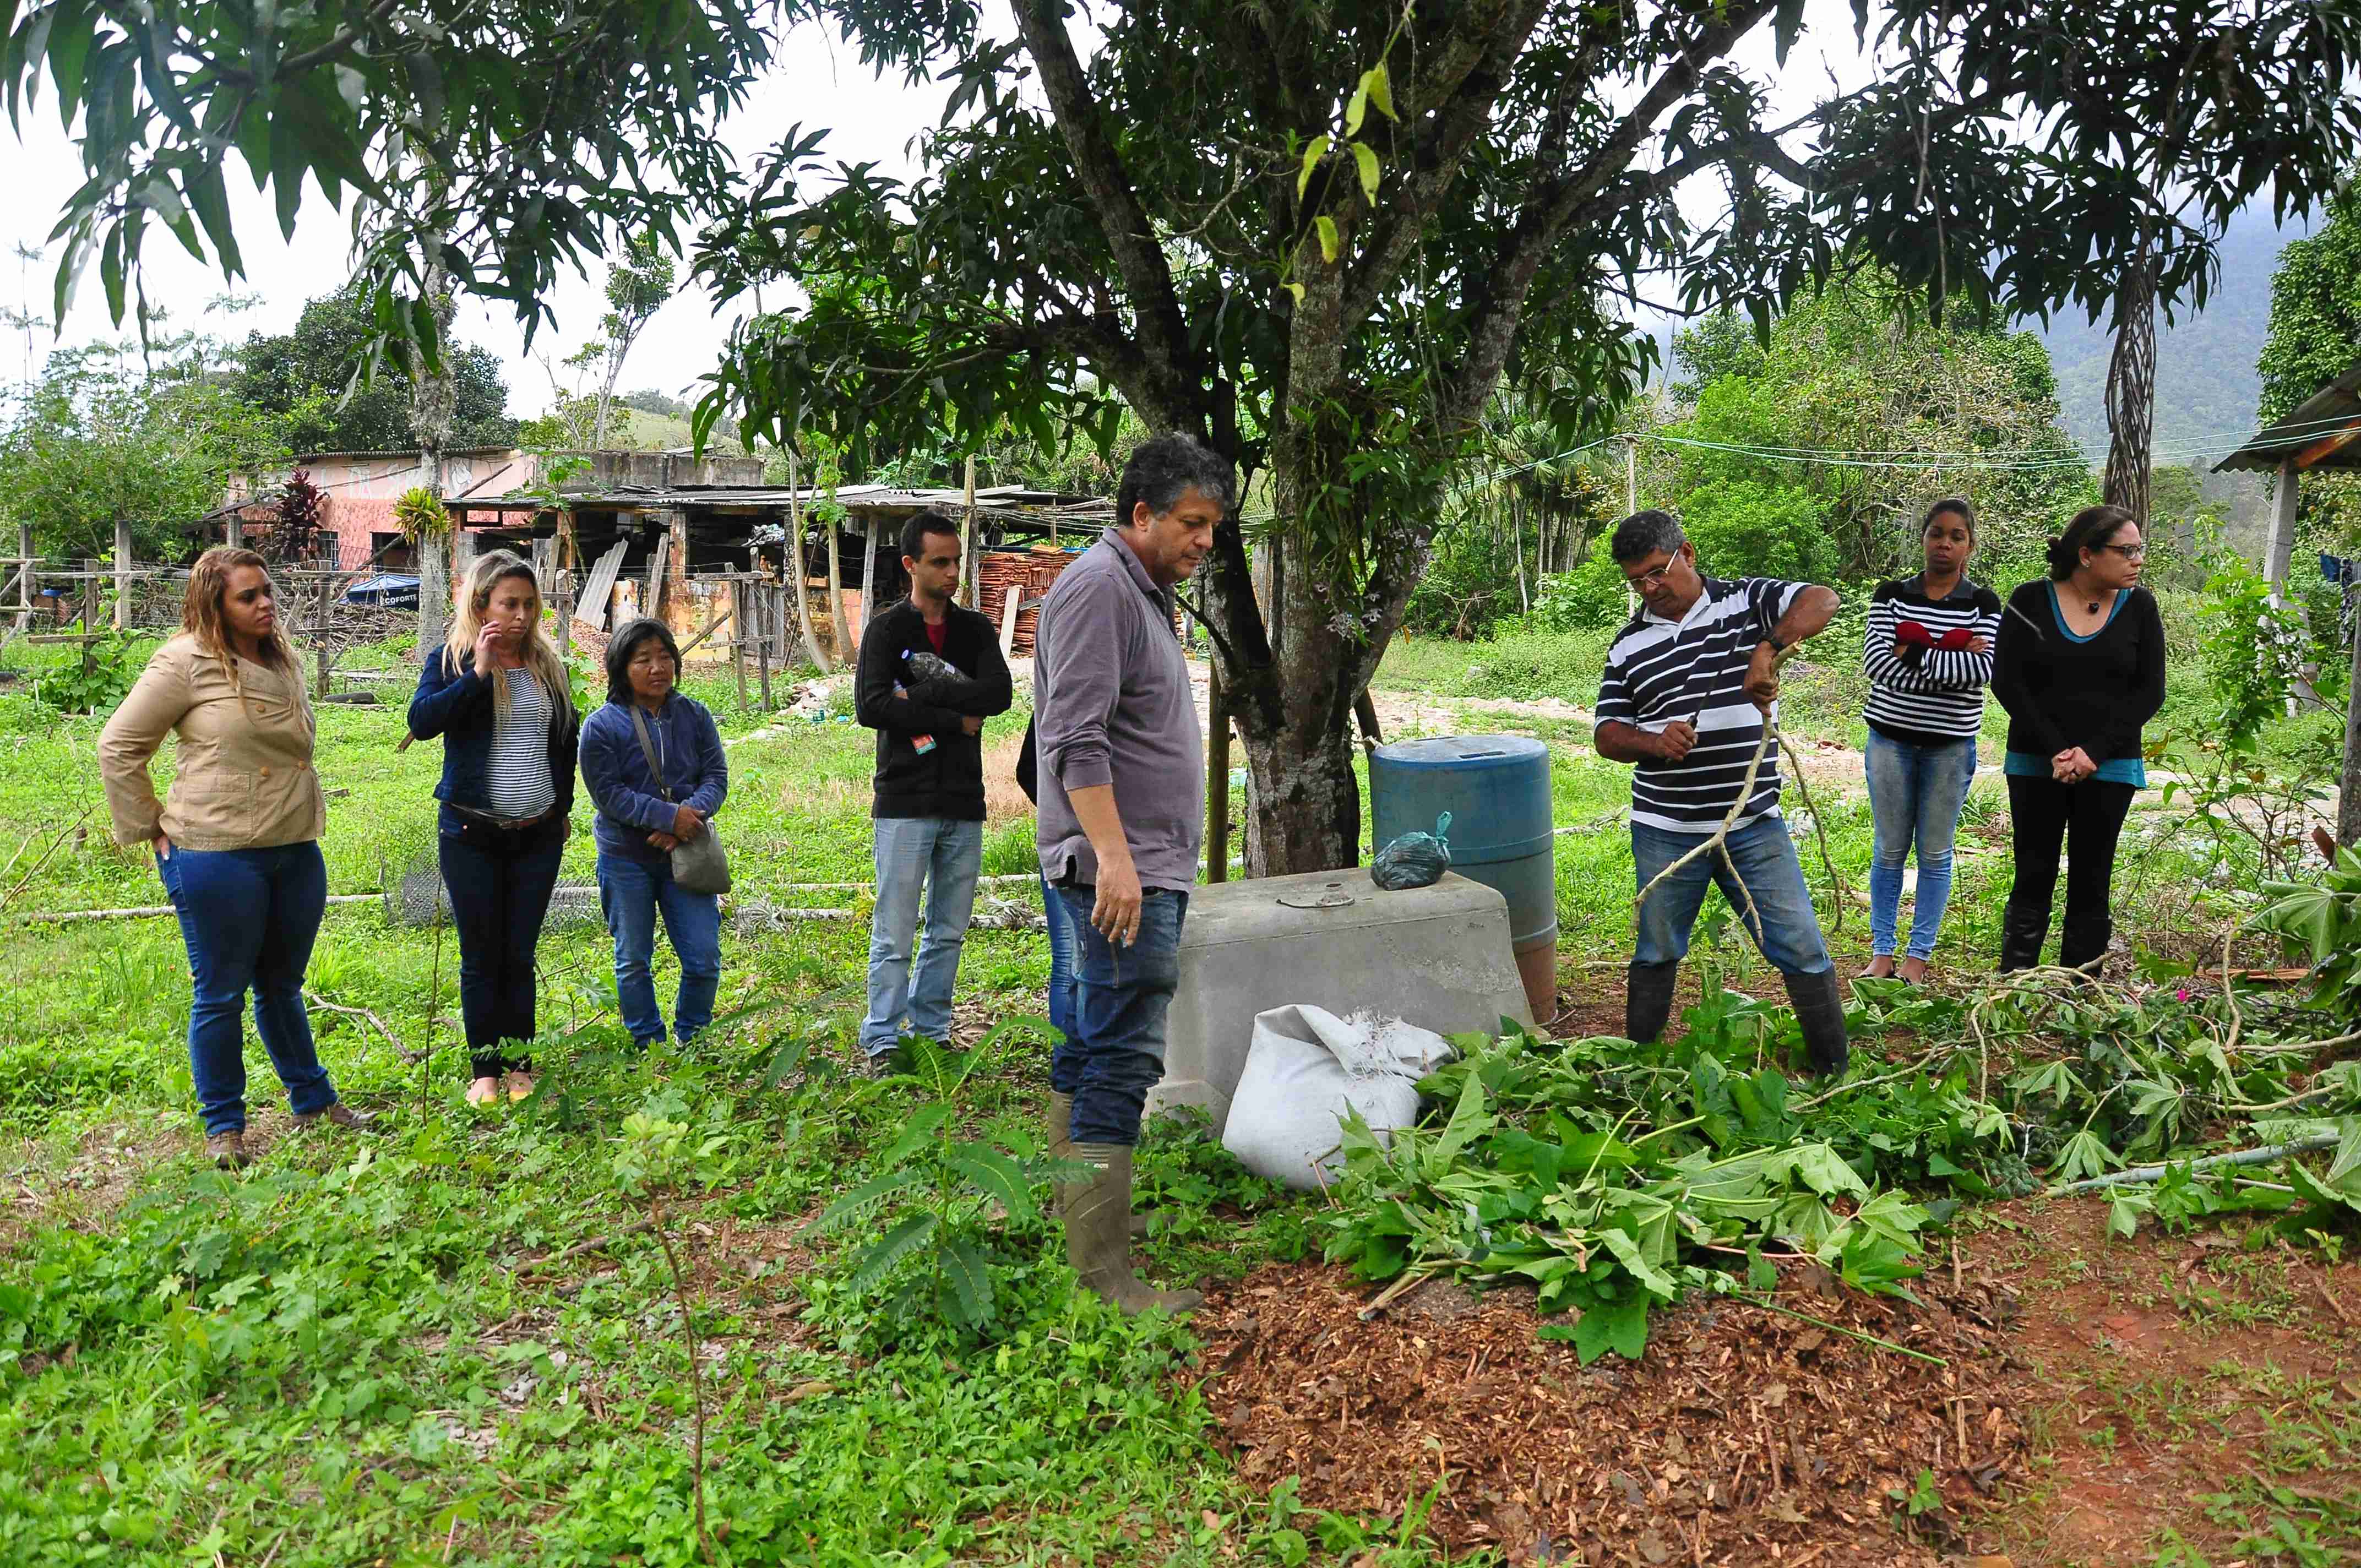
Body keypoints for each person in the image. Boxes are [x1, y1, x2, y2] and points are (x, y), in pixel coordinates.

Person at [1034, 432, 1231, 1315]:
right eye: (1192, 523)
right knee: (1121, 1055)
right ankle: (1103, 1277)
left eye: (1213, 529)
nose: (1203, 542)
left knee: (1087, 1037)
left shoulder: (1139, 590)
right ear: (1142, 513)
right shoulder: (1100, 590)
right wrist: (1115, 858)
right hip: (1119, 869)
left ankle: (1079, 1208)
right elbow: (1072, 737)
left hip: (1132, 861)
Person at [99, 547, 367, 1167]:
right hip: (217, 852)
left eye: (267, 591)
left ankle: (313, 1101)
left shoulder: (280, 657)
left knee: (282, 985)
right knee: (220, 994)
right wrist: (150, 829)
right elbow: (119, 746)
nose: (266, 603)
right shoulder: (183, 662)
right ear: (214, 604)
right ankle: (225, 1129)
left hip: (294, 845)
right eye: (248, 596)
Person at [1591, 510, 1851, 1076]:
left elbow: (1823, 600)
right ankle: (1641, 1070)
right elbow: (1606, 736)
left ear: (1686, 552)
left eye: (1657, 572)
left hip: (1753, 825)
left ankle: (1834, 1069)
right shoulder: (1628, 646)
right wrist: (1654, 742)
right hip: (1666, 830)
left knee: (1801, 945)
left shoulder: (1748, 601)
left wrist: (1768, 648)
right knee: (1656, 948)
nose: (1650, 588)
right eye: (1637, 581)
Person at [409, 550, 580, 1105]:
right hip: (471, 833)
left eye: (530, 604)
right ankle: (484, 1071)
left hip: (537, 835)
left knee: (519, 952)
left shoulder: (547, 665)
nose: (522, 615)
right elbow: (423, 723)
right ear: (481, 603)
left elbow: (566, 742)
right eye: (510, 603)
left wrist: (562, 810)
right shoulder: (451, 660)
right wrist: (480, 672)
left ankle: (520, 1068)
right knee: (481, 952)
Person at [852, 511, 1014, 1069]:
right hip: (904, 798)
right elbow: (871, 705)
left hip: (964, 798)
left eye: (955, 560)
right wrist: (954, 717)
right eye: (939, 562)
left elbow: (999, 695)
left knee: (948, 928)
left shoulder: (975, 630)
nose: (952, 572)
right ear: (910, 565)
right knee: (895, 930)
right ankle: (882, 1039)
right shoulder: (887, 629)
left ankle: (932, 1029)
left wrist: (918, 699)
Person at [1990, 504, 2166, 972]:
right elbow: (2008, 682)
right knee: (2033, 873)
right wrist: (2057, 750)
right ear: (2087, 554)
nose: (2137, 561)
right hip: (2035, 762)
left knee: (2093, 878)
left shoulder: (2141, 608)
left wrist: (2093, 753)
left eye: (2139, 550)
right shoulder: (2028, 601)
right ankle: (2015, 986)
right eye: (2126, 551)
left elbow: (2150, 692)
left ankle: (2077, 995)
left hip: (2111, 767)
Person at [1859, 498, 2004, 984]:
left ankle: (1917, 958)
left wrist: (1913, 653)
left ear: (1970, 545)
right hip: (1889, 741)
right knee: (1889, 851)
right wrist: (1952, 653)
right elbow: (1877, 667)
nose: (1945, 543)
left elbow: (1983, 671)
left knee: (1936, 854)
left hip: (1949, 746)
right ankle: (1882, 952)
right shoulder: (1890, 596)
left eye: (1956, 536)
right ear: (1923, 538)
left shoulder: (1983, 603)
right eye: (1936, 533)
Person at [579, 617, 730, 1049]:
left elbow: (716, 776)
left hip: (689, 855)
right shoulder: (602, 725)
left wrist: (687, 819)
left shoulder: (695, 715)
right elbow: (608, 794)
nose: (657, 667)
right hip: (625, 858)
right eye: (643, 659)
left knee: (703, 957)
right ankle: (648, 1044)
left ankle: (694, 1038)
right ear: (622, 668)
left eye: (665, 656)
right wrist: (668, 819)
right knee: (632, 960)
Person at [1015, 718, 1079, 1051]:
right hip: (1070, 849)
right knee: (1069, 963)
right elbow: (1027, 772)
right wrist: (1070, 817)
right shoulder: (1061, 693)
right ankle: (1067, 1072)